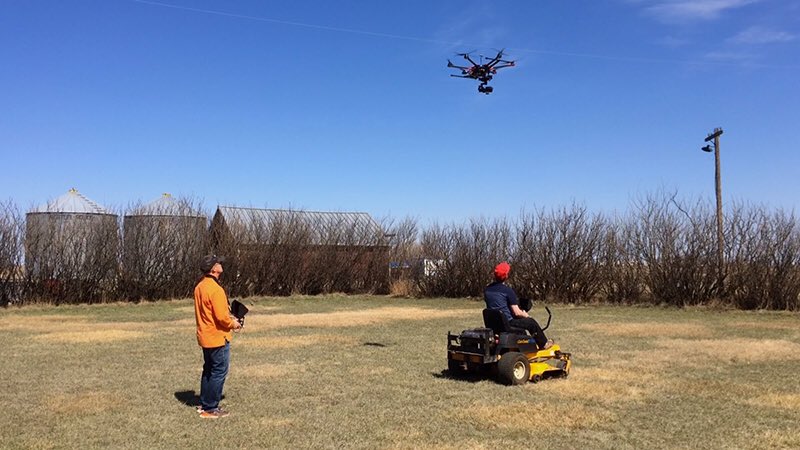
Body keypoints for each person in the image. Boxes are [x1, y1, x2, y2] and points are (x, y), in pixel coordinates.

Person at [194, 255, 241, 419]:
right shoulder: (215, 289)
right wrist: (234, 324)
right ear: (213, 269)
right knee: (219, 371)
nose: (221, 265)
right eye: (218, 263)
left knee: (209, 369)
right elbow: (221, 317)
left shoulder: (200, 286)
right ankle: (211, 408)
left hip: (205, 336)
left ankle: (204, 403)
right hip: (217, 337)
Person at [484, 261, 553, 350]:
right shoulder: (507, 291)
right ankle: (544, 344)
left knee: (522, 331)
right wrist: (526, 315)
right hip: (507, 323)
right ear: (506, 276)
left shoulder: (487, 290)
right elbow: (517, 313)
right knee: (531, 323)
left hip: (494, 324)